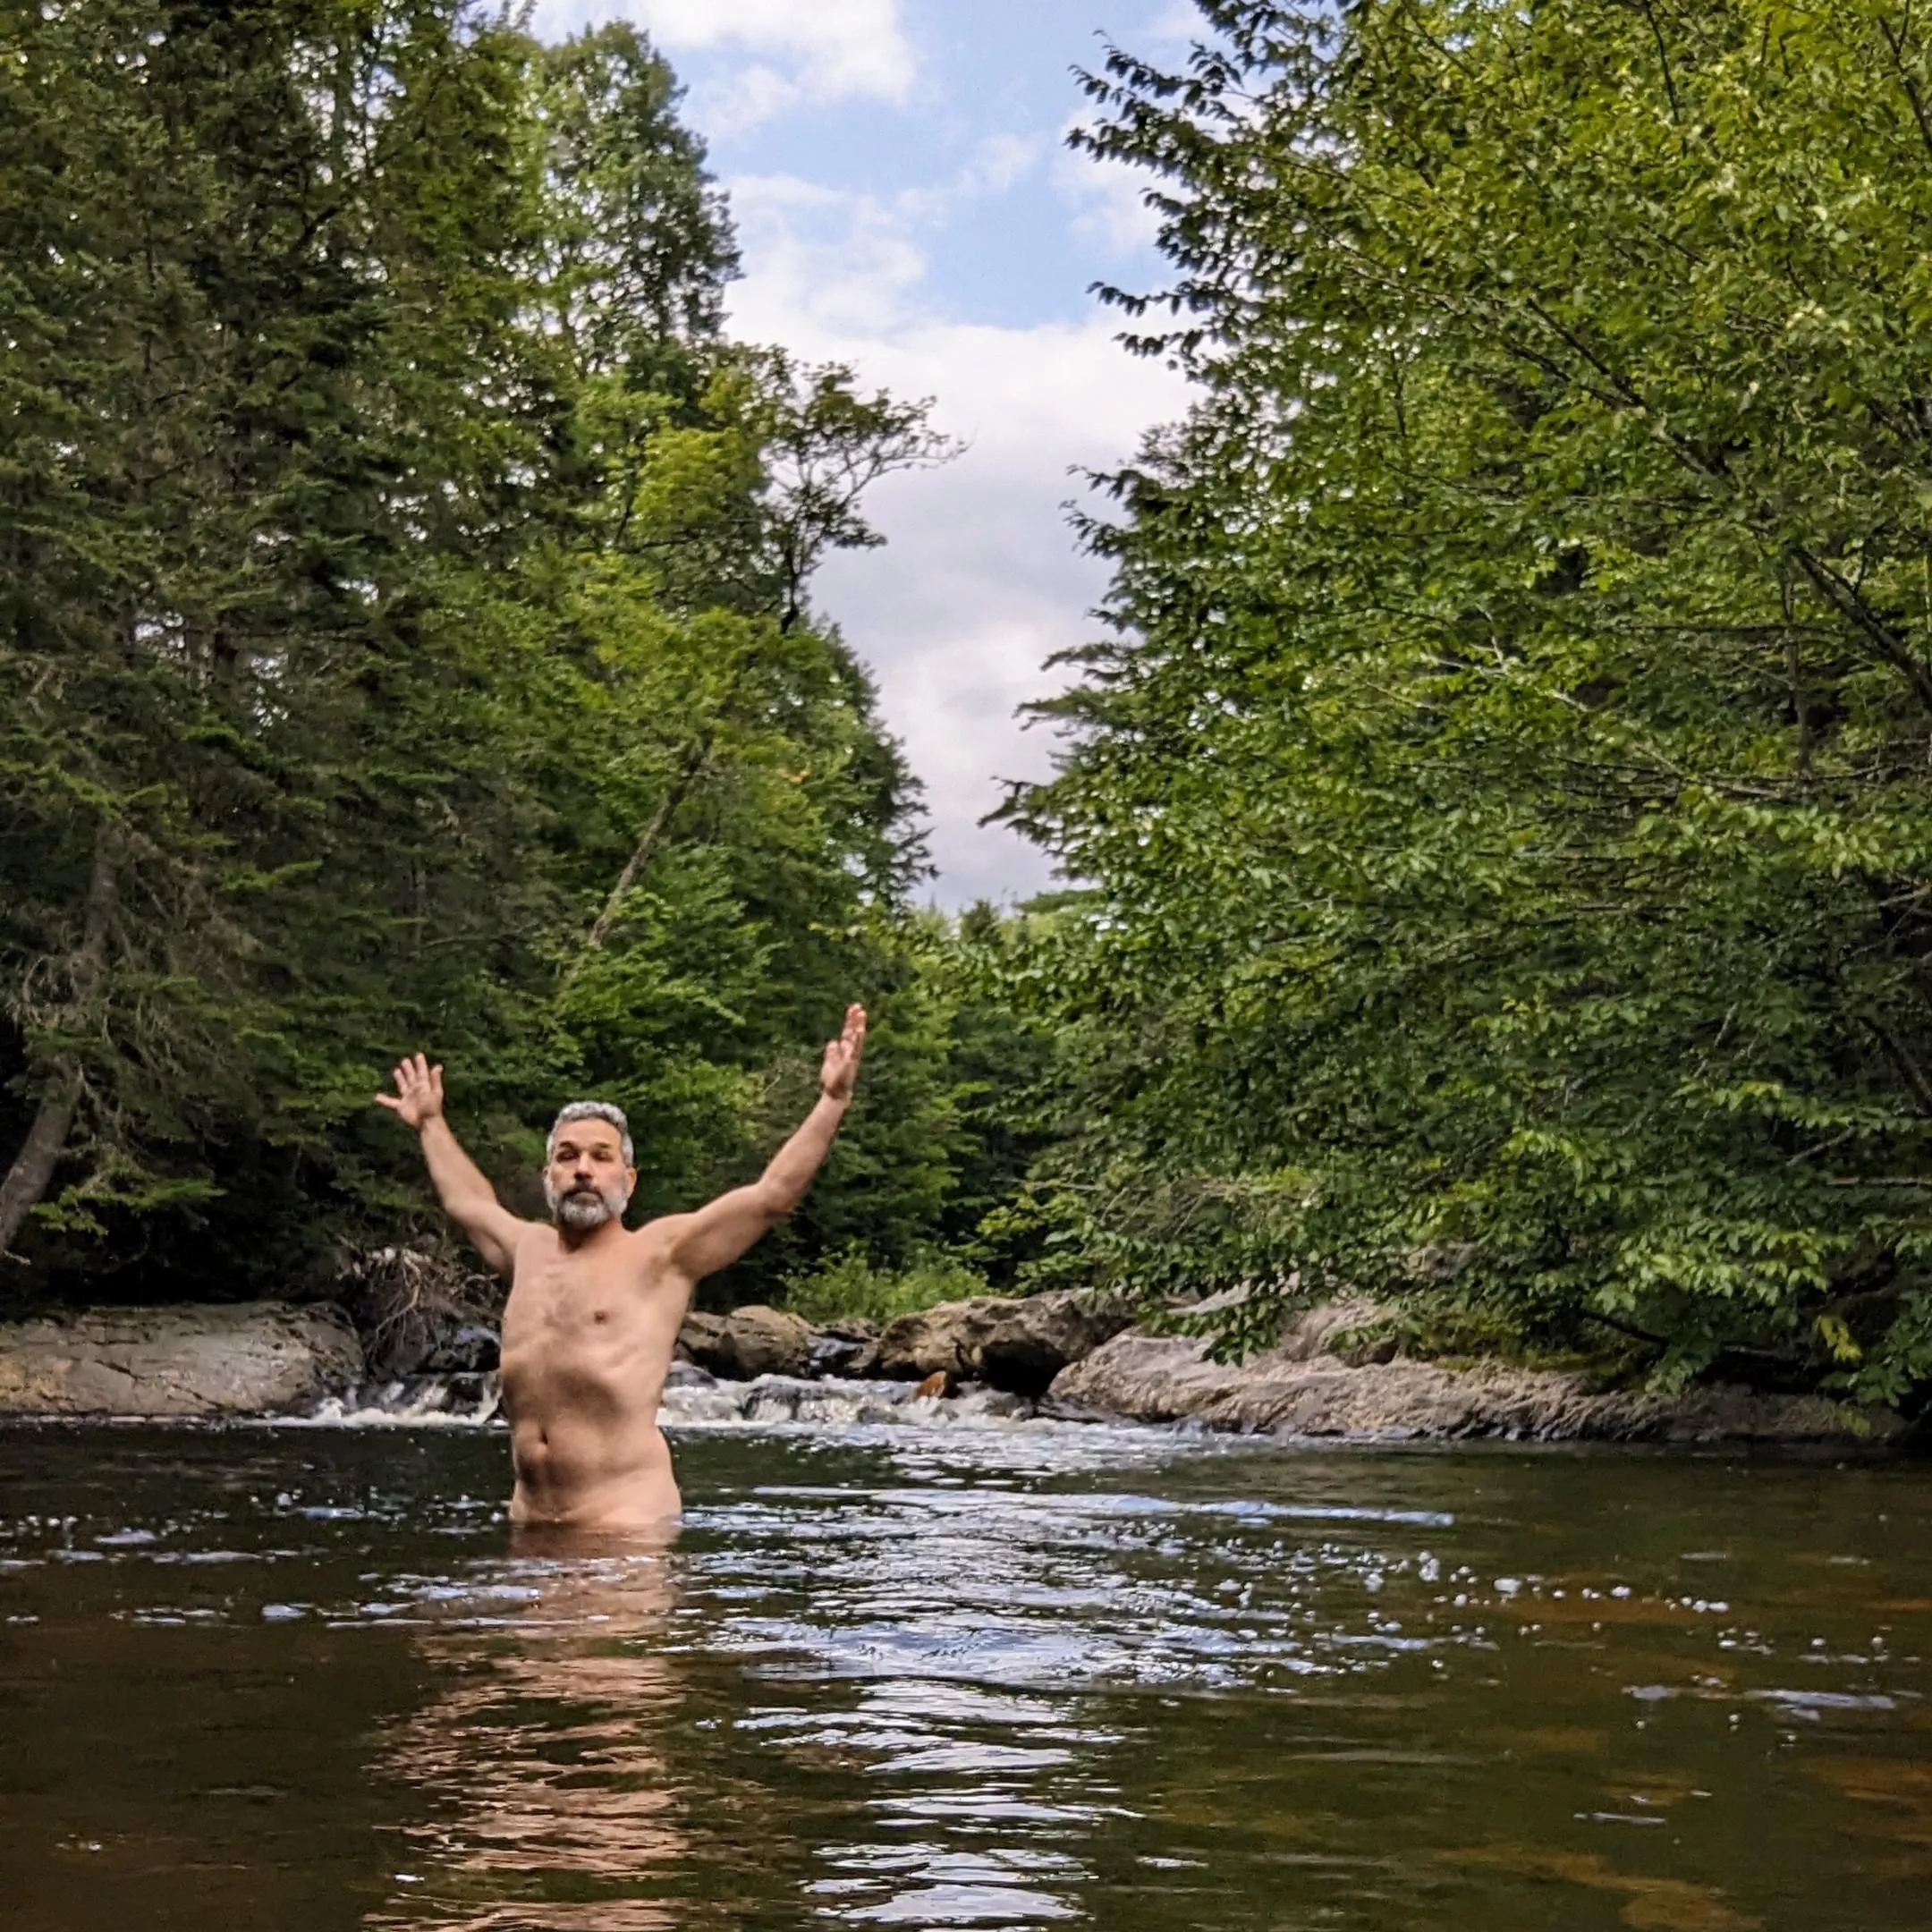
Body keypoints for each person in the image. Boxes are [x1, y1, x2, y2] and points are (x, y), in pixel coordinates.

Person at [375, 1004, 867, 1530]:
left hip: (624, 1522)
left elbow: (771, 1196)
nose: (583, 1169)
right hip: (532, 1522)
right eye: (567, 1156)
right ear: (548, 1176)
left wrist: (832, 1101)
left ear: (628, 1181)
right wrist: (431, 1123)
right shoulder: (526, 1249)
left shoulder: (662, 1255)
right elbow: (468, 1201)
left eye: (601, 1156)